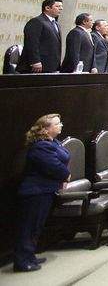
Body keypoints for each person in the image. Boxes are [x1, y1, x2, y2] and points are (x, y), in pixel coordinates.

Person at [14, 114, 70, 272]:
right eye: (57, 124)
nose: (61, 125)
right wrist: (66, 174)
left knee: (37, 226)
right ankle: (22, 261)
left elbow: (62, 159)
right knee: (29, 227)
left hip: (46, 190)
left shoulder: (53, 142)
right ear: (46, 129)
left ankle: (30, 255)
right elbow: (53, 165)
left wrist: (64, 174)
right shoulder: (40, 146)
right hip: (35, 191)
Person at [18, 0, 62, 73]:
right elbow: (31, 43)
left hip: (51, 66)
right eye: (58, 6)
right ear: (47, 8)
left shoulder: (56, 24)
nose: (61, 8)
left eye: (61, 6)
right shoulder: (37, 21)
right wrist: (35, 61)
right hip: (37, 66)